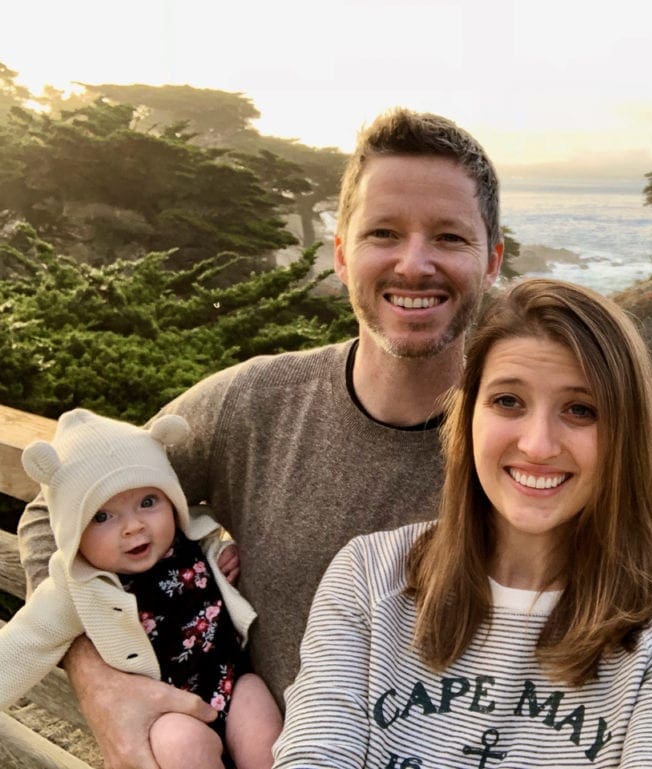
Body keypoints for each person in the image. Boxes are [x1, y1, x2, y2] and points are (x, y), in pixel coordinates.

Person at [18, 107, 504, 769]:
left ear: (493, 259)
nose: (413, 263)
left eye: (448, 237)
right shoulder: (253, 403)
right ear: (340, 252)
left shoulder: (527, 453)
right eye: (383, 232)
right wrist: (100, 679)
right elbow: (53, 507)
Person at [273, 279, 652, 769]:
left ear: (627, 437)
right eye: (508, 401)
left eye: (581, 410)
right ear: (468, 415)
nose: (537, 445)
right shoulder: (369, 578)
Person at [4, 409, 282, 769]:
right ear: (72, 530)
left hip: (230, 679)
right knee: (183, 745)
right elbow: (24, 642)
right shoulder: (78, 587)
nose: (133, 526)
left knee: (265, 734)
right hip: (161, 710)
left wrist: (224, 551)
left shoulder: (190, 536)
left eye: (148, 503)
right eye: (102, 516)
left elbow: (211, 533)